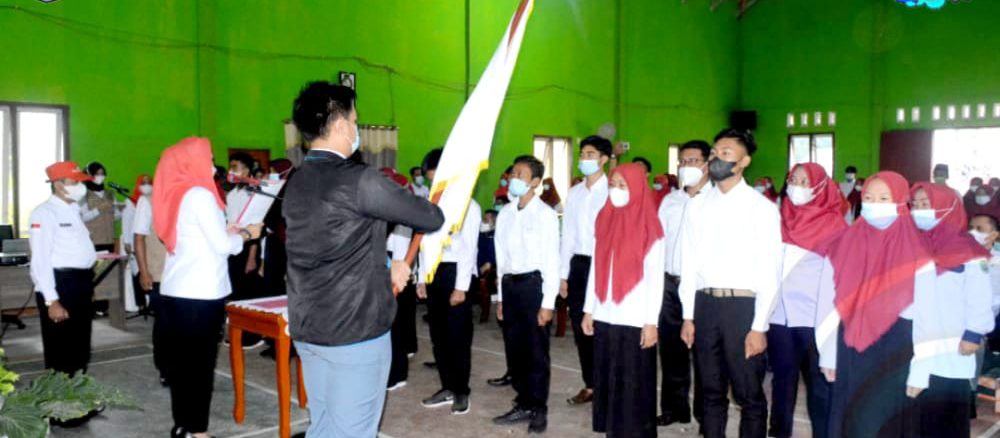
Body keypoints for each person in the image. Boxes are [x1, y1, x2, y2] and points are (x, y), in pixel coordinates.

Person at [284, 81, 444, 438]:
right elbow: (430, 217)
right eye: (355, 121)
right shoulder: (359, 181)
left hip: (309, 328)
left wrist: (390, 267)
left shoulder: (296, 181)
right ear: (341, 125)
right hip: (352, 332)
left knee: (323, 426)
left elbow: (333, 248)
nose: (356, 129)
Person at [153, 137, 263, 438]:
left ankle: (183, 426)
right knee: (200, 367)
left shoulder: (178, 193)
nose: (214, 165)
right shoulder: (201, 194)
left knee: (182, 366)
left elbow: (196, 236)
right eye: (210, 158)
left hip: (178, 291)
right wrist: (247, 235)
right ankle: (198, 432)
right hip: (200, 294)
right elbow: (223, 246)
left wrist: (229, 231)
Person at [677, 129, 781, 438]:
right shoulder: (696, 205)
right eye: (714, 153)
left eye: (726, 153)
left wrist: (759, 326)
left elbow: (770, 271)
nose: (716, 158)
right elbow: (688, 264)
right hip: (705, 305)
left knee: (749, 394)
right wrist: (688, 315)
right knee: (710, 391)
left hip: (743, 308)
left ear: (744, 161)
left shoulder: (761, 208)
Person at [814, 171, 934, 438]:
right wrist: (828, 353)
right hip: (850, 344)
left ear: (900, 202)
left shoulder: (919, 252)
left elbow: (928, 317)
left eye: (884, 198)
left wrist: (921, 369)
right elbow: (826, 304)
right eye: (868, 198)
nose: (874, 204)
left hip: (897, 347)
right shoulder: (841, 246)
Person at [581, 163, 664, 438]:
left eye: (622, 185)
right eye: (613, 185)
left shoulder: (650, 227)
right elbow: (596, 269)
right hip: (605, 313)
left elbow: (655, 279)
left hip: (635, 317)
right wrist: (589, 309)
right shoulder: (605, 219)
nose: (615, 191)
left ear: (637, 188)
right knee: (608, 377)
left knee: (633, 382)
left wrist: (651, 322)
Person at [768, 163, 845, 438]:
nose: (796, 187)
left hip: (815, 319)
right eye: (793, 180)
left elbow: (837, 281)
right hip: (779, 317)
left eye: (804, 182)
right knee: (782, 382)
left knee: (819, 386)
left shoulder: (835, 227)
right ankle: (779, 432)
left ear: (820, 187)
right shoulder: (779, 219)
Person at [910, 182, 993, 438]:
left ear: (947, 207)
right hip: (919, 339)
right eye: (915, 205)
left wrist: (973, 333)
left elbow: (980, 296)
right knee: (918, 410)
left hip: (953, 342)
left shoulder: (969, 250)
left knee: (947, 411)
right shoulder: (915, 243)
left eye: (926, 204)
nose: (919, 210)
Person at [492, 155, 560, 434]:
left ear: (535, 182)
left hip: (534, 287)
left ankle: (538, 408)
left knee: (535, 352)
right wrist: (500, 297)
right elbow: (501, 258)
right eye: (513, 173)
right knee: (515, 349)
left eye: (520, 174)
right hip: (510, 286)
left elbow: (552, 261)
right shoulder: (506, 213)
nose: (514, 178)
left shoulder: (545, 215)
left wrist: (548, 303)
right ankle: (523, 401)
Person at [416, 148, 481, 415]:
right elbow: (424, 244)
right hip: (435, 273)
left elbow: (469, 249)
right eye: (432, 180)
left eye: (437, 178)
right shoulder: (431, 204)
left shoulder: (468, 205)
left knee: (458, 337)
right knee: (439, 337)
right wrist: (422, 278)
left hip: (457, 274)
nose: (435, 184)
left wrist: (461, 287)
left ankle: (461, 390)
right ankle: (447, 386)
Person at [657, 140, 711, 428]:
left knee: (704, 353)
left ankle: (705, 414)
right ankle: (674, 408)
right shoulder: (671, 200)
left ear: (707, 164)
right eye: (682, 161)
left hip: (701, 288)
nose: (686, 166)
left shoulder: (715, 201)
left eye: (692, 161)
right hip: (670, 283)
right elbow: (658, 242)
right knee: (670, 349)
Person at [28, 161, 98, 376]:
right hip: (60, 285)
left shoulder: (73, 210)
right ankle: (60, 396)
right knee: (61, 346)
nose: (80, 186)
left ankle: (78, 390)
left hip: (80, 283)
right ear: (58, 184)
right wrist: (52, 301)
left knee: (80, 343)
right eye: (74, 182)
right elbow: (40, 260)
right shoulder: (44, 213)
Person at [559, 135, 612, 407]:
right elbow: (567, 235)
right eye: (582, 154)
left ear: (604, 159)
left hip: (605, 266)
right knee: (582, 327)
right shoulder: (575, 193)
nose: (584, 159)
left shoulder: (613, 192)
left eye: (590, 155)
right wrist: (563, 274)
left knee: (604, 327)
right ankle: (590, 384)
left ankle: (608, 386)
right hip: (579, 265)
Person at [133, 174, 169, 386]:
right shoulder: (147, 202)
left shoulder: (185, 197)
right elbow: (139, 238)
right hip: (158, 271)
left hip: (183, 273)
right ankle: (165, 367)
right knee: (164, 322)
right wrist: (144, 271)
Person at [225, 152, 264, 348]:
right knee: (235, 292)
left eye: (236, 167)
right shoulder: (232, 194)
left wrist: (252, 256)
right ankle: (237, 332)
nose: (232, 171)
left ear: (247, 170)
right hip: (232, 244)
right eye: (230, 167)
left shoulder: (254, 193)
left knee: (248, 292)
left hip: (248, 245)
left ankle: (253, 335)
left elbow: (257, 226)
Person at [384, 168, 417, 390]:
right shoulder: (385, 211)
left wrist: (394, 277)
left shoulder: (400, 214)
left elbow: (401, 253)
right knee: (390, 328)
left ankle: (397, 374)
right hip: (385, 271)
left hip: (396, 275)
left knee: (396, 328)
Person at [80, 161, 119, 252]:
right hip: (92, 241)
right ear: (89, 175)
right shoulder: (83, 194)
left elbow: (116, 217)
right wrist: (99, 209)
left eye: (102, 174)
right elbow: (82, 218)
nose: (100, 176)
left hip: (109, 240)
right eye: (97, 174)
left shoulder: (109, 193)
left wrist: (120, 211)